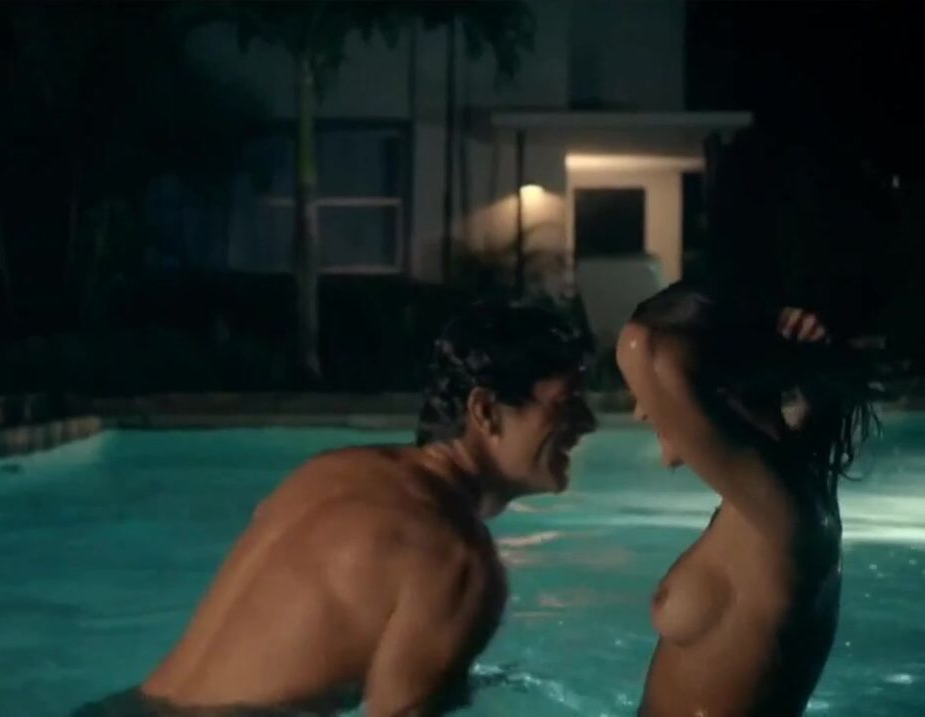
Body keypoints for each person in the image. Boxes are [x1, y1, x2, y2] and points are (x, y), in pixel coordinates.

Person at [129, 297, 597, 716]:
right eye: (566, 403)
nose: (588, 423)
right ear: (486, 411)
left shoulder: (329, 472)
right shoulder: (456, 561)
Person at [615, 282, 879, 716]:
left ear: (711, 383)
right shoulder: (775, 499)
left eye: (648, 396)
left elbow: (641, 347)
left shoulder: (787, 514)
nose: (642, 411)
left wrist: (763, 324)